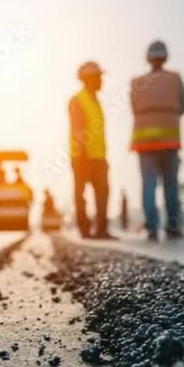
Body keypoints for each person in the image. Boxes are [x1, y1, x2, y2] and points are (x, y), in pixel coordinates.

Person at [131, 41, 184, 242]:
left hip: (144, 142)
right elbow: (183, 106)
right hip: (169, 141)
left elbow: (134, 107)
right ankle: (172, 227)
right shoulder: (175, 79)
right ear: (165, 57)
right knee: (170, 185)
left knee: (149, 185)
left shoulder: (136, 82)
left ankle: (152, 228)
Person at [68, 61, 115, 239]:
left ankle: (101, 229)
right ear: (89, 79)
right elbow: (78, 129)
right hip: (83, 157)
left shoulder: (96, 101)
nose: (101, 80)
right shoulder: (78, 100)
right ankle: (85, 230)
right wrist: (80, 154)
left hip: (99, 157)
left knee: (102, 194)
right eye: (98, 77)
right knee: (81, 195)